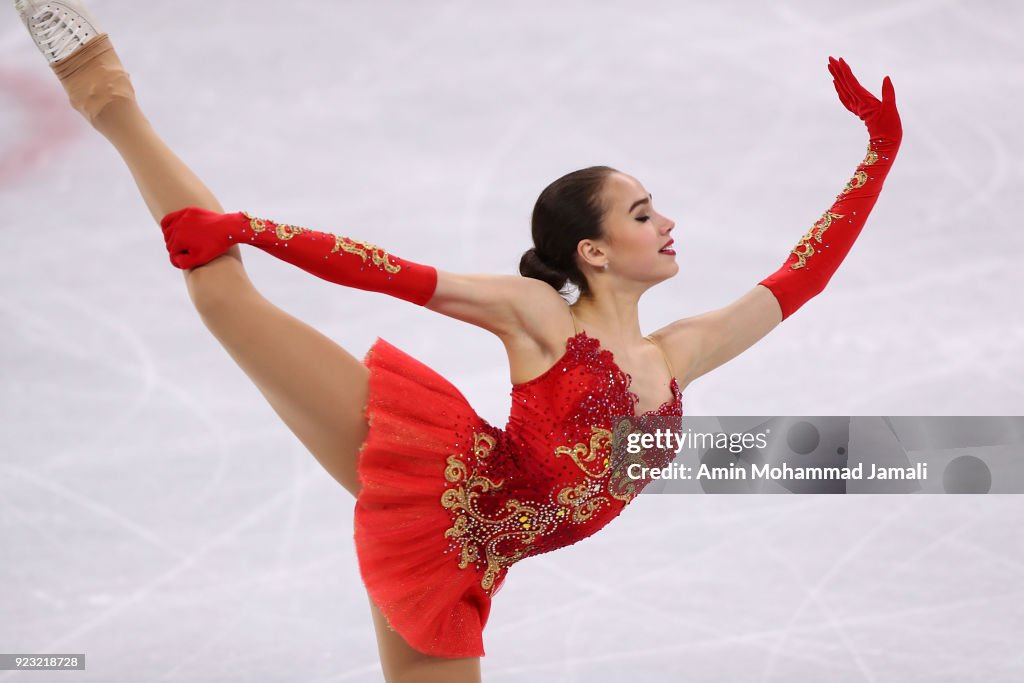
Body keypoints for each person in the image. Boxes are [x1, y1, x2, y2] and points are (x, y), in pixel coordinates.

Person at [15, 1, 902, 681]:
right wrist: (247, 227)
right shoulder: (540, 315)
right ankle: (102, 87)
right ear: (592, 251)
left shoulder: (679, 354)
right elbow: (389, 270)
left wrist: (879, 149)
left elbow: (803, 275)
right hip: (434, 480)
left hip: (476, 557)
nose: (667, 222)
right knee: (219, 291)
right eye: (642, 212)